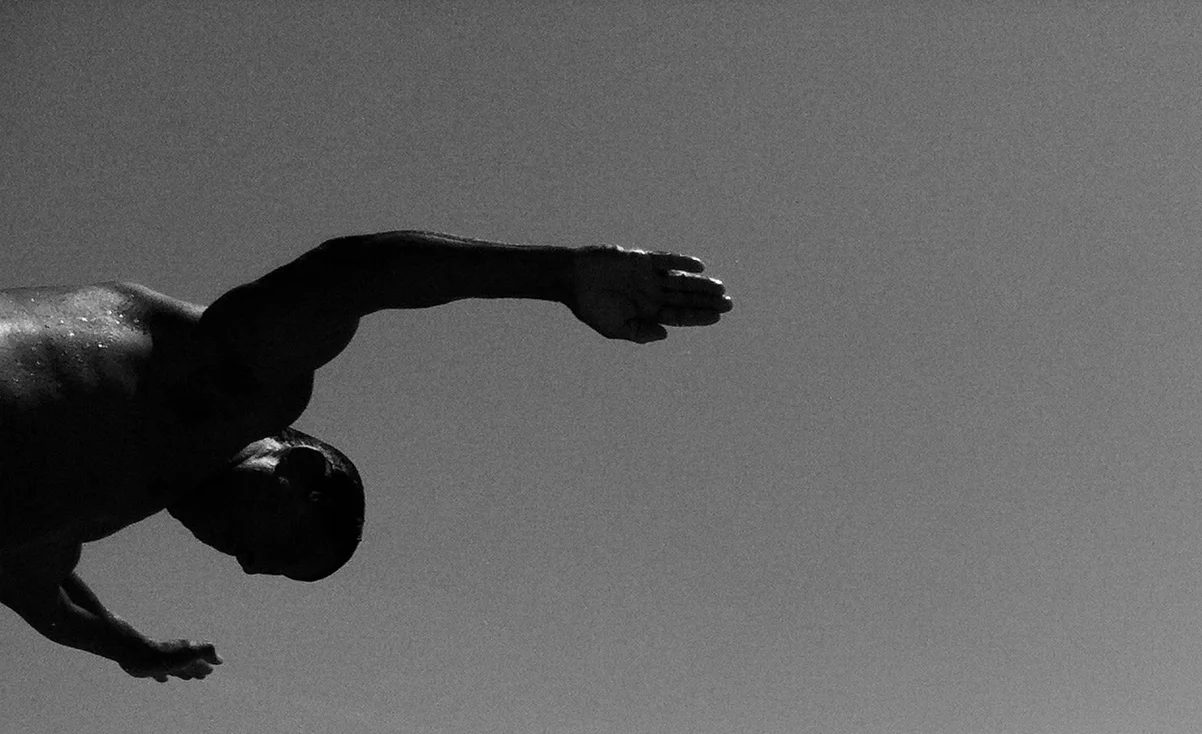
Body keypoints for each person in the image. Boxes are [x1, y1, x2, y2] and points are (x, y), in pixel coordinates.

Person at [1, 231, 732, 681]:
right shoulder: (231, 385)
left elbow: (47, 597)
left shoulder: (92, 509)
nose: (250, 565)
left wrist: (133, 649)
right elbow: (358, 273)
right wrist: (559, 277)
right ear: (299, 471)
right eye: (281, 549)